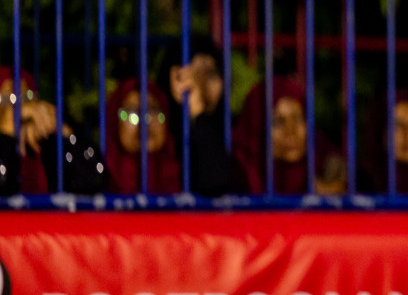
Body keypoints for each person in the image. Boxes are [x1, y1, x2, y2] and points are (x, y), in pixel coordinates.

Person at [0, 67, 106, 194]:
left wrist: (63, 131)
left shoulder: (48, 145)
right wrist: (7, 129)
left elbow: (94, 181)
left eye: (26, 98)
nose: (17, 106)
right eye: (5, 99)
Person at [168, 45, 246, 196]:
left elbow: (217, 183)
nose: (201, 84)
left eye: (210, 74)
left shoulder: (236, 132)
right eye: (194, 75)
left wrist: (197, 113)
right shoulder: (161, 130)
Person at [233, 77, 324, 196]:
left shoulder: (326, 167)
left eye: (297, 119)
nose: (291, 132)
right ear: (257, 130)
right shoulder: (238, 181)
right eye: (278, 122)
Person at [104, 78, 181, 193]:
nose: (144, 122)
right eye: (131, 113)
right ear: (114, 122)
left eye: (153, 110)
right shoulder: (101, 178)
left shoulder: (186, 176)